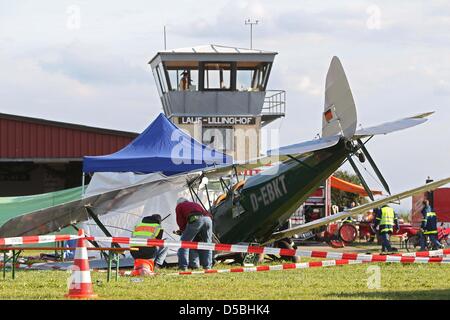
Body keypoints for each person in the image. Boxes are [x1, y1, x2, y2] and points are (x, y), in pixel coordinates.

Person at [175, 197, 213, 271]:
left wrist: (182, 230)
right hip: (208, 220)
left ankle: (183, 266)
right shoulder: (194, 204)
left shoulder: (179, 206)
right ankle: (207, 267)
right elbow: (207, 214)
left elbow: (180, 221)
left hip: (196, 219)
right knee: (208, 244)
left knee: (184, 244)